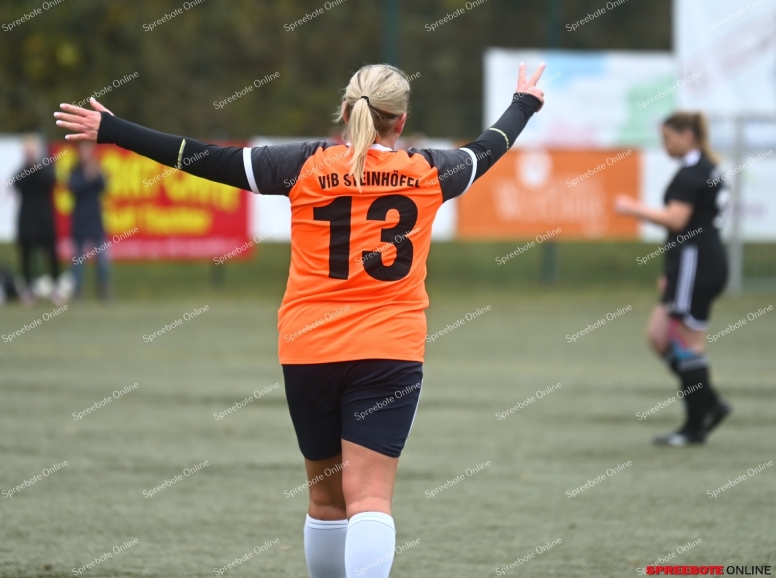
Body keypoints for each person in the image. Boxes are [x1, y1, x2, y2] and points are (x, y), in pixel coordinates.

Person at [54, 62, 545, 578]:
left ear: (345, 111)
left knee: (327, 501)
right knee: (370, 498)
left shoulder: (303, 164)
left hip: (310, 349)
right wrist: (524, 103)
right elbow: (490, 146)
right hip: (389, 351)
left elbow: (203, 158)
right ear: (400, 121)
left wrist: (115, 131)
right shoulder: (431, 171)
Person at [615, 111, 731, 447]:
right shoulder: (704, 168)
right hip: (689, 265)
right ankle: (709, 401)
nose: (664, 144)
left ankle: (694, 427)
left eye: (668, 137)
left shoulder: (694, 173)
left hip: (698, 265)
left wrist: (632, 208)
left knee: (689, 345)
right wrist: (671, 273)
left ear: (687, 136)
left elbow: (677, 220)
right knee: (658, 335)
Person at [12, 134, 62, 305]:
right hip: (27, 219)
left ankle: (56, 286)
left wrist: (36, 167)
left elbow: (50, 181)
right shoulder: (22, 170)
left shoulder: (45, 168)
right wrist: (29, 167)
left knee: (52, 254)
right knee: (26, 255)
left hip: (44, 218)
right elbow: (17, 184)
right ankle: (28, 289)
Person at [69, 141, 110, 300]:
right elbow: (73, 188)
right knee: (79, 259)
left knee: (102, 259)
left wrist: (96, 175)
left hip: (95, 220)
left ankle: (103, 290)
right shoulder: (75, 170)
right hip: (80, 220)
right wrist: (87, 177)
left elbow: (104, 187)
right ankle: (78, 291)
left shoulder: (96, 168)